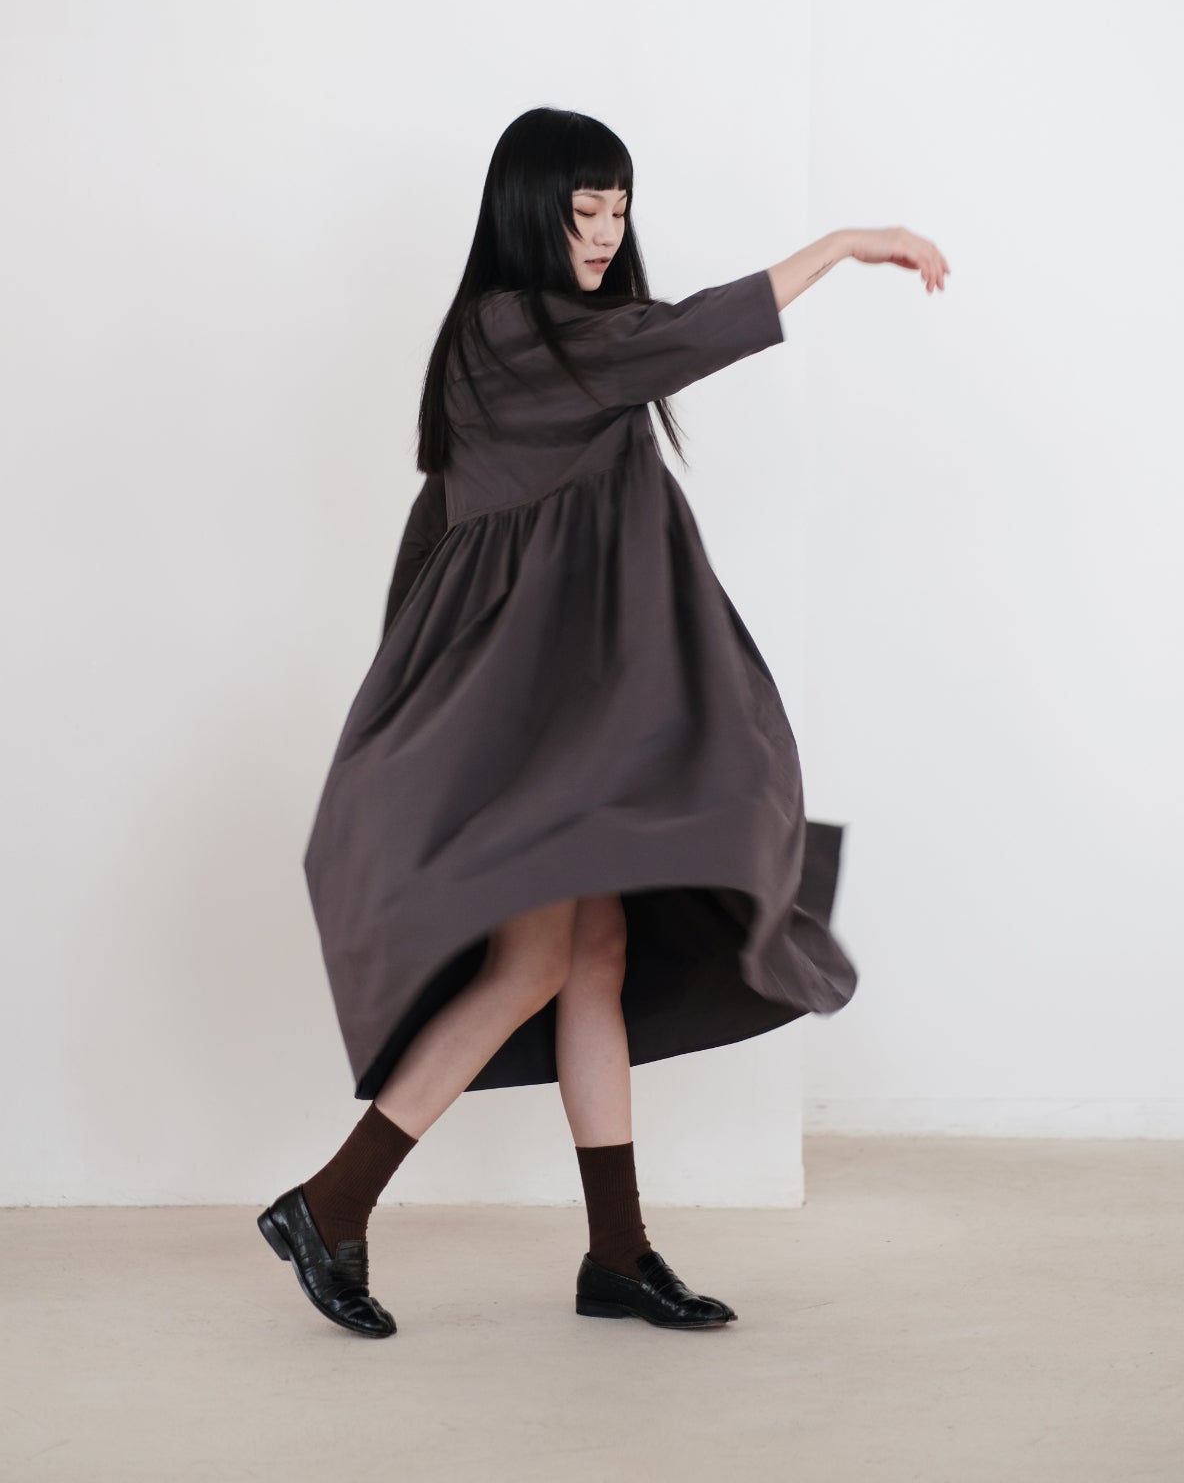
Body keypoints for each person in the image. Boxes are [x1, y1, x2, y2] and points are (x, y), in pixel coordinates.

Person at [257, 106, 950, 1338]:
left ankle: (616, 1255)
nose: (603, 234)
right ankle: (330, 1202)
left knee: (597, 958)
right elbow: (686, 338)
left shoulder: (568, 342)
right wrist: (844, 243)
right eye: (582, 211)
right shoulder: (509, 334)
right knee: (532, 963)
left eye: (618, 211)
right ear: (528, 213)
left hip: (570, 729)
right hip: (528, 737)